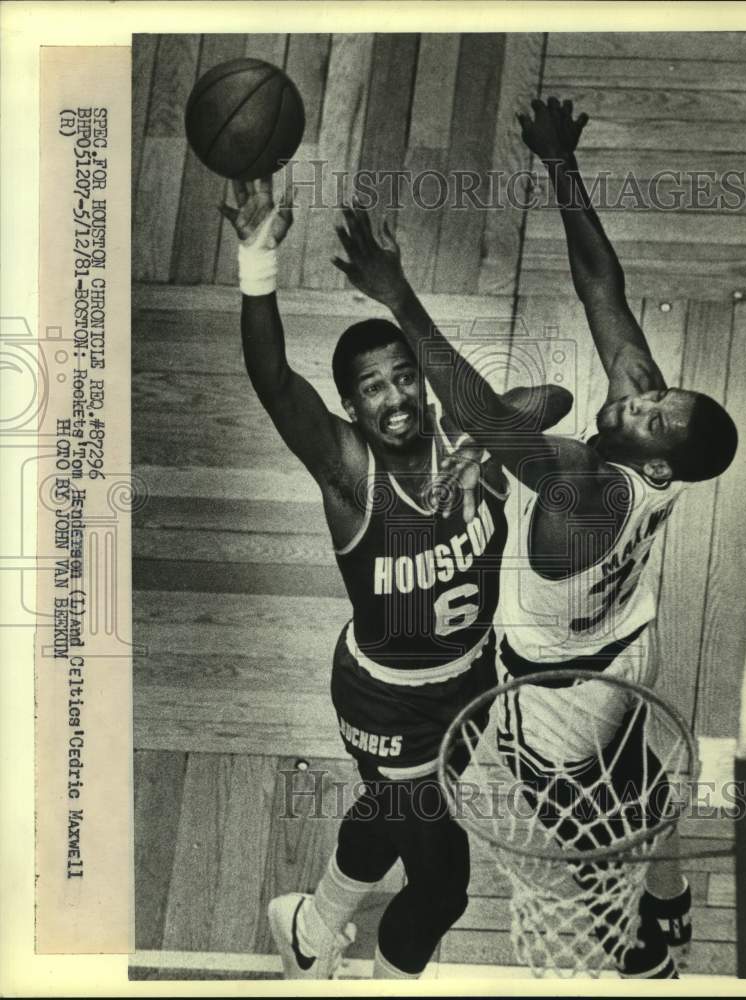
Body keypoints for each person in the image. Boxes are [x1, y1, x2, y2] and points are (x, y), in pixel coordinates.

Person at [332, 97, 738, 979]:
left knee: (582, 833)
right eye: (655, 396)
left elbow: (481, 410)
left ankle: (636, 949)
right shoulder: (644, 456)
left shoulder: (582, 494)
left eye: (654, 414)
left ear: (660, 463)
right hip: (628, 651)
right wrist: (560, 164)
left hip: (555, 701)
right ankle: (667, 906)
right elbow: (603, 289)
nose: (641, 398)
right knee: (636, 780)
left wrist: (397, 295)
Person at [220, 177, 571, 979]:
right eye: (372, 388)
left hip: (469, 678)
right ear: (350, 406)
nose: (395, 397)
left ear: (425, 379)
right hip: (388, 699)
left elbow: (553, 396)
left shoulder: (472, 447)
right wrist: (256, 259)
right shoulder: (351, 475)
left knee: (389, 806)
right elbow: (274, 382)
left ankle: (311, 929)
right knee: (443, 887)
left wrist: (489, 436)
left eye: (403, 376)